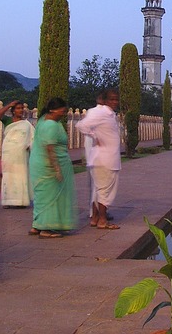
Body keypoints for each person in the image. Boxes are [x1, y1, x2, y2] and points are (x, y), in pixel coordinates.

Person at [28, 97, 76, 239]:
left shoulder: (44, 120)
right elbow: (50, 148)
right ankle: (47, 228)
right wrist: (57, 169)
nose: (63, 113)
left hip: (39, 164)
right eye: (62, 110)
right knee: (51, 196)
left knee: (42, 195)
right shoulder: (51, 125)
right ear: (53, 110)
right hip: (48, 165)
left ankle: (37, 225)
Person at [76, 89, 121, 229]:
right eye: (111, 99)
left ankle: (95, 218)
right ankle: (102, 220)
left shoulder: (109, 114)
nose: (114, 102)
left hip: (107, 158)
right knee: (104, 191)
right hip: (104, 159)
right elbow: (81, 125)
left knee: (99, 190)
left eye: (116, 99)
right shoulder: (101, 113)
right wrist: (95, 136)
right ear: (105, 100)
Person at [0, 100, 34, 208]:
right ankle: (7, 201)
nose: (20, 110)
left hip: (21, 155)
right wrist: (8, 105)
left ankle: (20, 202)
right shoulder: (8, 120)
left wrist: (28, 145)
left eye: (22, 108)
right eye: (18, 108)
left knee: (21, 176)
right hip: (9, 153)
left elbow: (33, 138)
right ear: (13, 110)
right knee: (8, 176)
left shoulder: (26, 124)